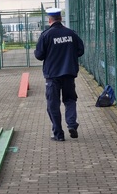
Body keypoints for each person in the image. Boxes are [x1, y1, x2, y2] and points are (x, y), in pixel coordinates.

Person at [34, 8, 84, 141]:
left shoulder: (46, 35)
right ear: (61, 19)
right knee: (70, 100)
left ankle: (58, 134)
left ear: (49, 20)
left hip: (52, 76)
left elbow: (39, 55)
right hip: (69, 73)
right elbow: (80, 50)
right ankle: (72, 124)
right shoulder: (71, 34)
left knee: (53, 104)